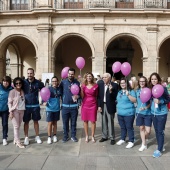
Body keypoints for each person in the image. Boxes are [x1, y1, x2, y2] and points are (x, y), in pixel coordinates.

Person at [149, 72, 169, 158]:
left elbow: (168, 99)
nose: (154, 80)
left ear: (158, 80)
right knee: (157, 131)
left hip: (162, 113)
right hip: (153, 113)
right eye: (152, 79)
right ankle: (161, 145)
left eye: (155, 79)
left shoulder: (163, 88)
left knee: (160, 131)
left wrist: (161, 101)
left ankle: (159, 149)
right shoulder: (150, 88)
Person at [23, 68, 44, 145]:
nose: (29, 75)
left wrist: (44, 100)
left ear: (33, 74)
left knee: (36, 121)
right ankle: (26, 137)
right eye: (28, 73)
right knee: (26, 122)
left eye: (31, 73)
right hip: (26, 106)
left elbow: (44, 90)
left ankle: (37, 136)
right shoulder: (24, 82)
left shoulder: (38, 83)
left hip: (35, 105)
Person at [59, 68, 80, 143]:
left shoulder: (77, 83)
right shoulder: (63, 82)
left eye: (72, 74)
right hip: (65, 107)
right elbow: (60, 91)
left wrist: (78, 96)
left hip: (74, 107)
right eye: (69, 74)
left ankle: (73, 136)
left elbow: (79, 93)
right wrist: (63, 98)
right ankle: (65, 136)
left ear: (74, 74)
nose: (70, 75)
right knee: (65, 123)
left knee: (74, 123)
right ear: (67, 74)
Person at [98, 73, 118, 145]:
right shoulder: (100, 84)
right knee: (103, 122)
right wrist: (99, 106)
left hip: (110, 106)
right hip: (102, 105)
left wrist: (111, 91)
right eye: (103, 77)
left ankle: (112, 137)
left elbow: (115, 96)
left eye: (105, 77)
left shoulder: (114, 85)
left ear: (109, 78)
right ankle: (104, 136)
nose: (103, 79)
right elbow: (99, 96)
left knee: (110, 122)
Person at [116, 77, 136, 149]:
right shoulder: (119, 92)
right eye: (121, 83)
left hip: (129, 113)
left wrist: (128, 95)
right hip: (120, 113)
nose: (122, 84)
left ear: (127, 83)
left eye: (124, 83)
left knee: (129, 127)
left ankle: (131, 141)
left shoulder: (131, 91)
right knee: (122, 127)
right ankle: (122, 139)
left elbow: (134, 100)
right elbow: (117, 100)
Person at [81, 72, 98, 143]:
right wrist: (81, 89)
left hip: (93, 104)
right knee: (85, 120)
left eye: (90, 76)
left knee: (93, 121)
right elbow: (82, 96)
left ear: (92, 77)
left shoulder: (96, 85)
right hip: (85, 104)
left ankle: (93, 136)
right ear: (86, 77)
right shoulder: (83, 85)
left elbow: (97, 95)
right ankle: (87, 136)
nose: (89, 78)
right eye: (87, 76)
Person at [8, 77, 25, 148]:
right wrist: (10, 111)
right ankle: (18, 142)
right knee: (16, 126)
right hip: (14, 111)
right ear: (14, 84)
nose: (18, 84)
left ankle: (15, 139)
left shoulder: (23, 91)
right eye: (16, 83)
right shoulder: (12, 92)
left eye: (20, 83)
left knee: (18, 126)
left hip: (22, 110)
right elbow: (9, 103)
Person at [135, 76, 151, 151]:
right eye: (140, 81)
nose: (142, 83)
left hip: (147, 113)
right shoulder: (137, 90)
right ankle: (143, 144)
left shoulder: (149, 90)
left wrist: (145, 107)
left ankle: (145, 139)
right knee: (141, 128)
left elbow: (151, 103)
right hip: (139, 112)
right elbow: (135, 100)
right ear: (138, 82)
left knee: (148, 131)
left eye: (143, 81)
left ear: (145, 82)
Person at [44, 76, 61, 144]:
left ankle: (54, 136)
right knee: (50, 123)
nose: (54, 82)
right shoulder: (48, 89)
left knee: (55, 123)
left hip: (57, 109)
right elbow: (44, 96)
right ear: (51, 82)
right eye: (53, 81)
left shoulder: (59, 89)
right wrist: (44, 101)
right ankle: (49, 137)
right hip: (49, 109)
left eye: (55, 81)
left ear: (57, 82)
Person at [0, 76, 12, 146]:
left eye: (7, 81)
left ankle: (4, 138)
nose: (5, 83)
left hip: (5, 110)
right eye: (4, 81)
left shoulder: (11, 89)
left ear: (9, 82)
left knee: (5, 124)